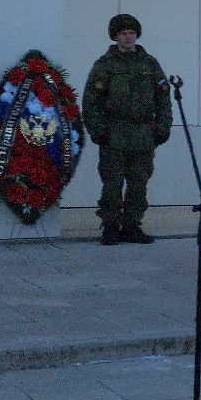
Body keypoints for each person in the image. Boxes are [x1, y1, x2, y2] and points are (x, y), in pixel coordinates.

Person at [83, 13, 171, 246]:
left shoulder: (150, 63)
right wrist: (98, 130)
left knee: (139, 182)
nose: (128, 37)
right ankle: (111, 226)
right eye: (123, 33)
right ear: (115, 36)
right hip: (114, 132)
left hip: (143, 132)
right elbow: (91, 101)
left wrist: (162, 127)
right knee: (112, 183)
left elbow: (163, 98)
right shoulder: (105, 65)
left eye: (131, 33)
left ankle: (132, 226)